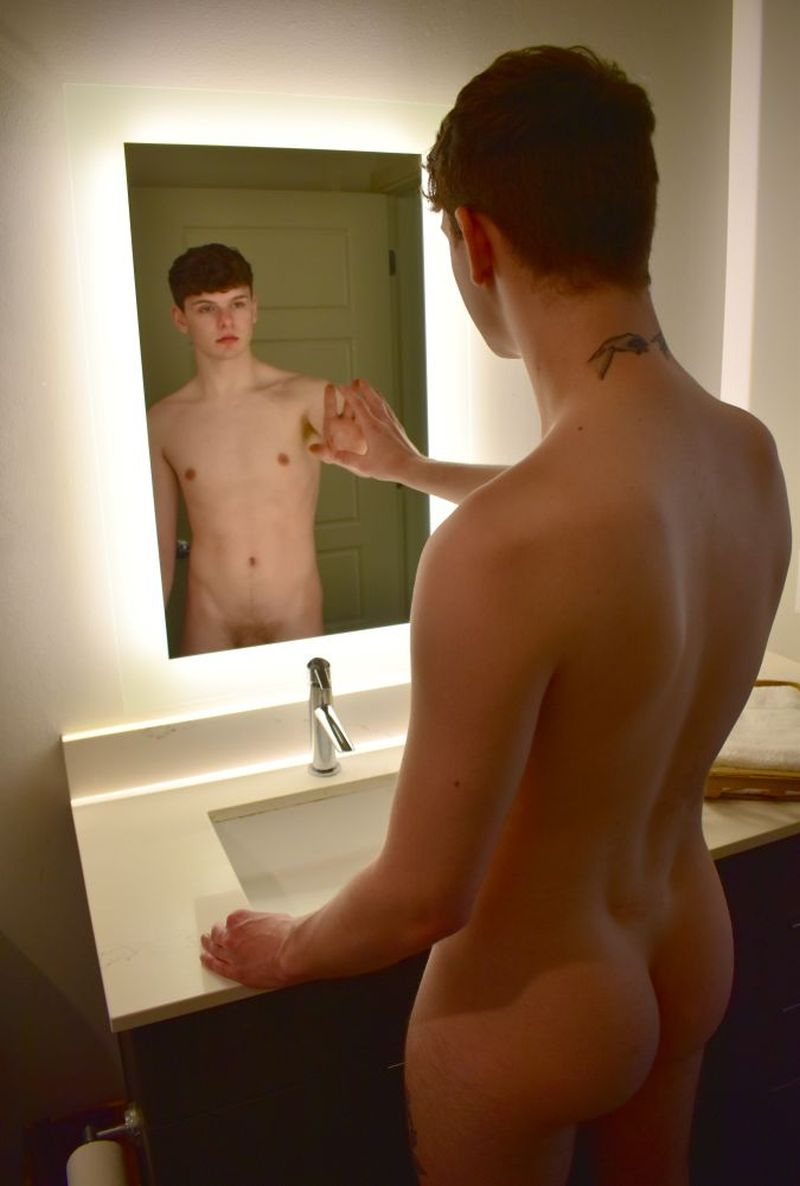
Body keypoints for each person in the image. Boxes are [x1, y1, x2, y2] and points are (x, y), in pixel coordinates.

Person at [200, 46, 791, 1186]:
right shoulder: (745, 456)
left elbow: (423, 894)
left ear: (475, 239)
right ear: (634, 211)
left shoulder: (497, 552)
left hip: (539, 996)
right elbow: (610, 518)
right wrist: (416, 472)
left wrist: (292, 947)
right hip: (686, 938)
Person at [147, 243, 362, 655]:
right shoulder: (164, 422)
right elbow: (159, 547)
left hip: (295, 616)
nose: (226, 321)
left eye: (237, 303)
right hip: (209, 622)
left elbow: (378, 461)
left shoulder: (308, 397)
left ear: (254, 308)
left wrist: (360, 449)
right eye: (206, 308)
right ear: (180, 319)